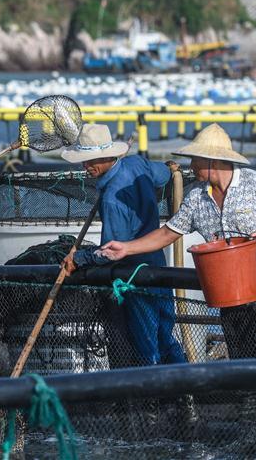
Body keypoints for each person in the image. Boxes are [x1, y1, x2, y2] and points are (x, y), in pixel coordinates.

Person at [100, 123, 256, 359]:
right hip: (232, 291)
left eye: (195, 160)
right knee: (242, 358)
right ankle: (248, 396)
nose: (191, 166)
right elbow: (168, 233)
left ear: (212, 161)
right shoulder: (196, 196)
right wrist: (126, 248)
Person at [60, 123, 186, 366]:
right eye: (84, 161)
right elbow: (164, 173)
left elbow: (110, 252)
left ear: (109, 156)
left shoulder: (111, 199)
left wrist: (79, 259)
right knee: (165, 338)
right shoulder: (137, 165)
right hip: (159, 267)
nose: (87, 167)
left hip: (134, 275)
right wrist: (170, 169)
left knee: (146, 345)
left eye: (92, 161)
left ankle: (150, 399)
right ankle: (182, 396)